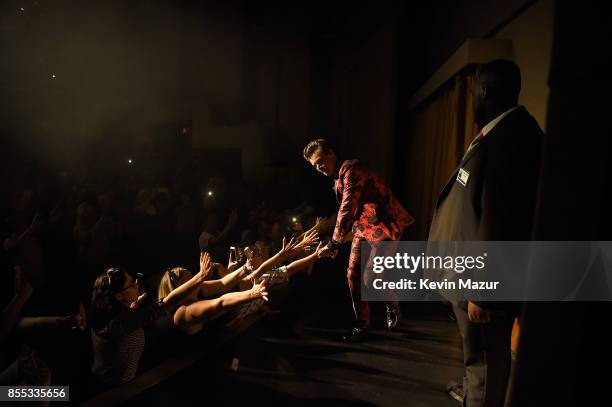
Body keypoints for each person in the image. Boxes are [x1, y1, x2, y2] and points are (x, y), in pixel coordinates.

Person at [428, 60, 543, 406]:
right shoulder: (501, 133)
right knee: (476, 360)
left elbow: (501, 220)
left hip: (482, 282)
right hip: (471, 274)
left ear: (485, 93)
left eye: (474, 92)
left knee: (487, 364)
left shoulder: (512, 139)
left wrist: (482, 290)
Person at [303, 139, 414, 342]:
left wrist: (336, 241)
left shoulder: (352, 169)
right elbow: (349, 211)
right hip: (362, 228)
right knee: (353, 275)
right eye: (315, 166)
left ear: (331, 153)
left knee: (371, 277)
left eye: (320, 161)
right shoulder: (337, 178)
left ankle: (392, 302)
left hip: (384, 224)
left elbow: (347, 208)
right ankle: (362, 324)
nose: (319, 168)